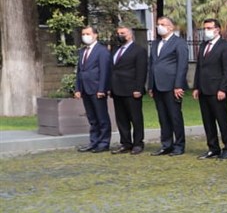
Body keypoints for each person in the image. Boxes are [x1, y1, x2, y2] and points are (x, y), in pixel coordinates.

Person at [193, 18, 227, 159]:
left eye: (209, 28)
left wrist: (223, 89)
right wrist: (196, 87)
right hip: (204, 89)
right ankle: (213, 148)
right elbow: (199, 67)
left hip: (217, 90)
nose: (207, 31)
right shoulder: (204, 45)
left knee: (222, 120)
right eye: (205, 28)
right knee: (207, 120)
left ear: (217, 30)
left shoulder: (225, 46)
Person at [147, 15, 190, 155]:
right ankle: (166, 144)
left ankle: (179, 145)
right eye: (158, 24)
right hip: (157, 86)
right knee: (163, 117)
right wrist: (150, 85)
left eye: (163, 24)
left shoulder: (179, 43)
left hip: (172, 86)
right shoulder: (155, 43)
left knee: (175, 116)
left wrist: (178, 85)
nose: (159, 26)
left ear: (171, 27)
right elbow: (152, 65)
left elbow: (182, 65)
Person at [109, 24, 147, 155]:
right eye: (118, 33)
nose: (120, 35)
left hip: (131, 90)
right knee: (121, 118)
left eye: (122, 33)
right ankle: (125, 143)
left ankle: (138, 143)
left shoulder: (138, 50)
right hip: (117, 89)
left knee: (135, 118)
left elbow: (141, 71)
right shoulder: (115, 50)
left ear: (130, 34)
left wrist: (139, 88)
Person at [73, 25, 112, 152]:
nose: (85, 36)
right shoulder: (82, 51)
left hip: (97, 89)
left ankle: (104, 142)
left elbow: (105, 71)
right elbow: (80, 71)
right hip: (85, 89)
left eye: (88, 34)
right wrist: (78, 89)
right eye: (83, 34)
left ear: (95, 35)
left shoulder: (102, 51)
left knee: (102, 118)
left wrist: (102, 89)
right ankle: (94, 141)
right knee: (92, 118)